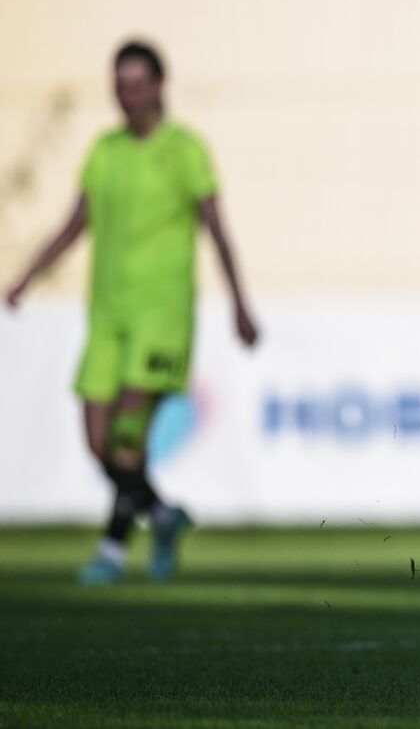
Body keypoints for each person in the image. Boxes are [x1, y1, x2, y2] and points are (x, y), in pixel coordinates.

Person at [5, 40, 258, 584]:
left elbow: (217, 230)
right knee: (99, 442)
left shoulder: (186, 150)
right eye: (120, 84)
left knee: (126, 434)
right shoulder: (105, 150)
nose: (127, 95)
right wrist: (27, 274)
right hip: (107, 313)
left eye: (137, 84)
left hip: (161, 313)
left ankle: (113, 552)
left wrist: (240, 303)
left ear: (160, 88)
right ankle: (163, 517)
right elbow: (75, 224)